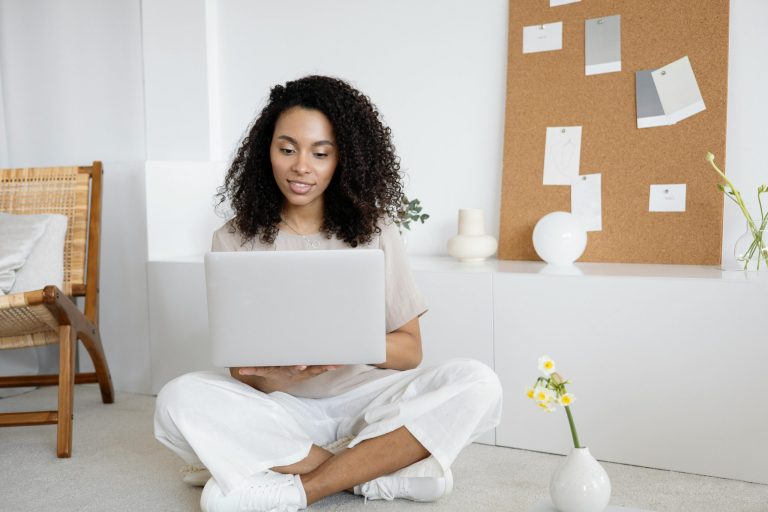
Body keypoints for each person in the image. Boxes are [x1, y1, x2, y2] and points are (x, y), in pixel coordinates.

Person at [154, 75, 503, 512]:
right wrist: (284, 376)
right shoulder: (233, 238)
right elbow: (240, 371)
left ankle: (301, 486)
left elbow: (410, 352)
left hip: (369, 404)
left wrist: (349, 347)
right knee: (177, 399)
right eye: (287, 149)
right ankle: (371, 471)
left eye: (320, 153)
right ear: (267, 152)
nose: (302, 166)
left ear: (344, 159)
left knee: (478, 383)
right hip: (284, 409)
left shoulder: (376, 230)